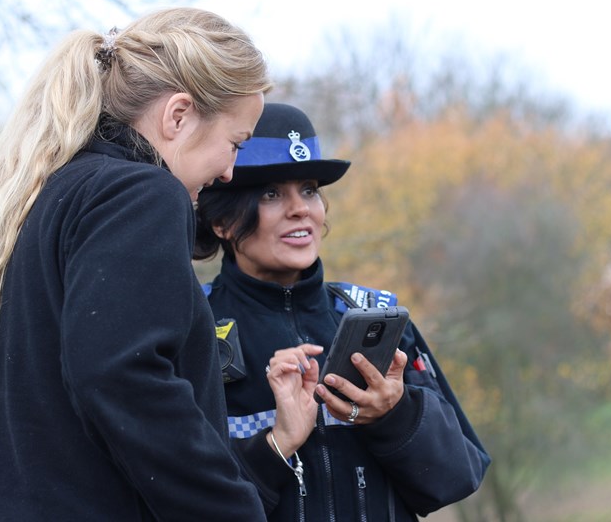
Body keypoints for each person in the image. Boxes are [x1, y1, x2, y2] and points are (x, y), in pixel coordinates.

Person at [0, 7, 274, 521]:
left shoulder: (21, 204)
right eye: (235, 144)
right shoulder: (142, 194)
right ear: (179, 115)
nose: (230, 172)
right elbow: (120, 374)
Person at [193, 102, 491, 521]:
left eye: (309, 189)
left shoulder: (380, 318)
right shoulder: (194, 329)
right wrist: (277, 444)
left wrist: (394, 414)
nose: (301, 209)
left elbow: (457, 478)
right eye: (271, 193)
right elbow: (180, 500)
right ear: (221, 222)